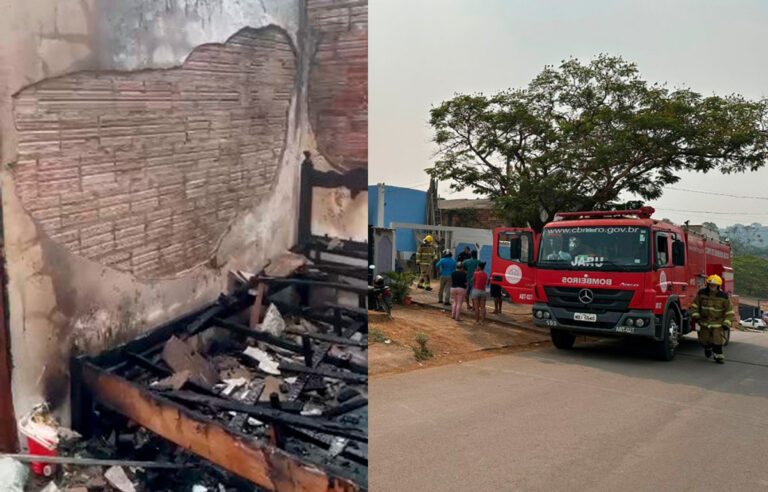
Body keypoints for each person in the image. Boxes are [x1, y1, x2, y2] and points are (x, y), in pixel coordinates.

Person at [690, 274, 734, 364]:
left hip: (717, 323)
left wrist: (727, 323)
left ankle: (719, 357)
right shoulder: (701, 294)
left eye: (714, 285)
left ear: (718, 286)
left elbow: (729, 311)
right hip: (704, 322)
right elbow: (695, 306)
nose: (712, 287)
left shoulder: (723, 297)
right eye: (711, 285)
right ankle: (707, 348)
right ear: (708, 285)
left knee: (717, 340)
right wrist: (696, 316)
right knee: (704, 340)